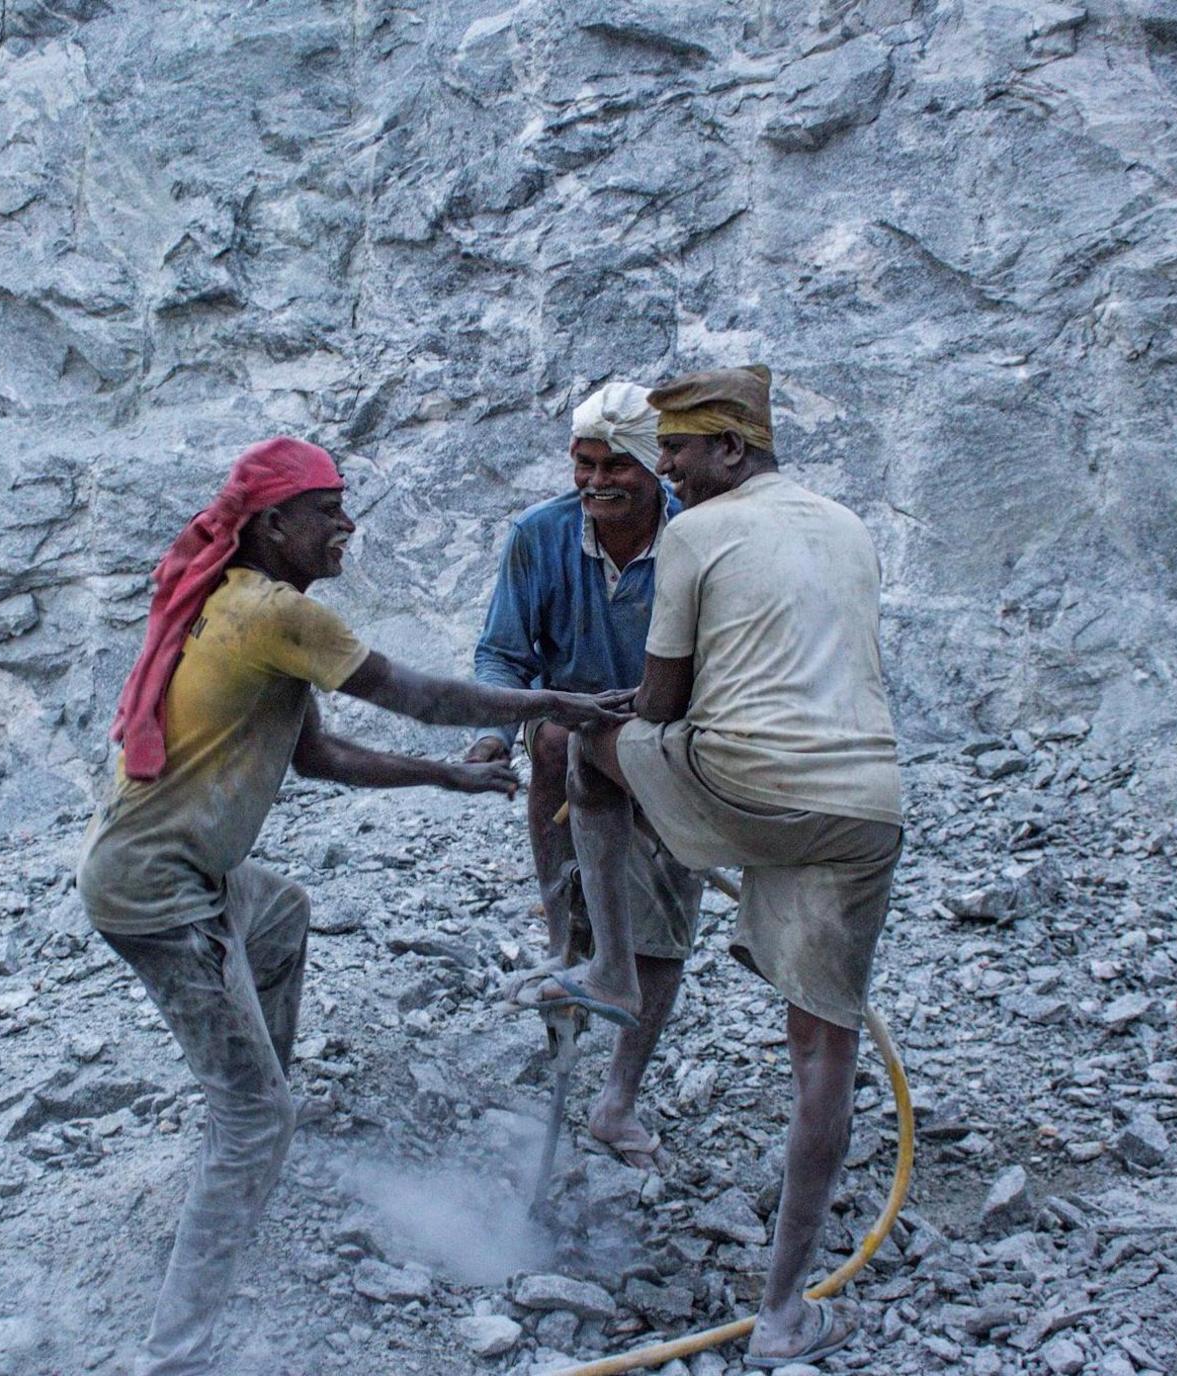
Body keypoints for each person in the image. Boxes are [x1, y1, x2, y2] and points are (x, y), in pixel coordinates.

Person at [77, 437, 632, 1376]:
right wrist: (554, 704)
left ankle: (254, 1121)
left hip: (167, 871)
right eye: (328, 511)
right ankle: (178, 1351)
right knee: (252, 1117)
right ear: (271, 526)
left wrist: (444, 784)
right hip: (159, 893)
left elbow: (317, 757)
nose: (346, 526)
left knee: (282, 915)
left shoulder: (244, 608)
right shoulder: (275, 611)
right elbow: (418, 694)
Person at [534, 367, 903, 1369]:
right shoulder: (849, 527)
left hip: (741, 784)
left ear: (731, 449)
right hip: (863, 808)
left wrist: (598, 716)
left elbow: (656, 708)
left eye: (680, 452)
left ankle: (611, 963)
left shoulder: (693, 534)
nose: (666, 471)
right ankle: (782, 1310)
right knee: (821, 1055)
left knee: (585, 750)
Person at [466, 381, 702, 1169]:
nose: (597, 481)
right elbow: (505, 651)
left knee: (661, 930)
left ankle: (617, 1100)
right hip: (566, 759)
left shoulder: (699, 540)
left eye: (616, 466)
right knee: (570, 925)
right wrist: (493, 733)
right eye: (583, 463)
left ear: (654, 468)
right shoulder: (540, 536)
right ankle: (567, 1008)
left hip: (669, 751)